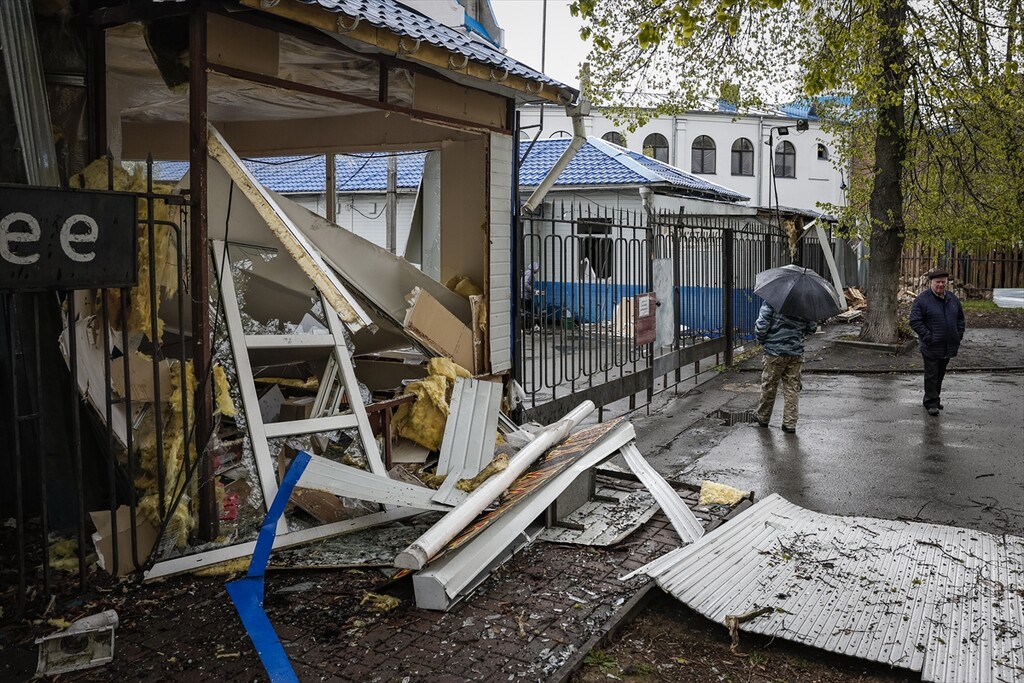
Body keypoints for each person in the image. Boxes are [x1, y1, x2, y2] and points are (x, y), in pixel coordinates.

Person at [753, 302, 818, 433]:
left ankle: (763, 417)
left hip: (774, 352)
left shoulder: (771, 301)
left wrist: (762, 340)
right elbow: (812, 328)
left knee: (769, 385)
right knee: (792, 387)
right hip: (795, 353)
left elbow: (762, 326)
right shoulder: (805, 304)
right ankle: (790, 423)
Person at [908, 268, 965, 417]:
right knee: (932, 374)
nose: (940, 285)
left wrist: (958, 335)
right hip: (931, 345)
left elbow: (960, 319)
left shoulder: (952, 299)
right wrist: (928, 336)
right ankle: (931, 403)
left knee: (940, 374)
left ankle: (933, 398)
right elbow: (915, 321)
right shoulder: (923, 300)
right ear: (931, 283)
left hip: (948, 345)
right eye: (937, 282)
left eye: (943, 282)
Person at [520, 261, 540, 330]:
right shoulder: (529, 273)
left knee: (529, 311)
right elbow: (525, 283)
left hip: (525, 295)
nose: (538, 271)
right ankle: (525, 327)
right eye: (537, 269)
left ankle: (528, 326)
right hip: (525, 296)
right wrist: (533, 291)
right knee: (529, 311)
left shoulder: (528, 273)